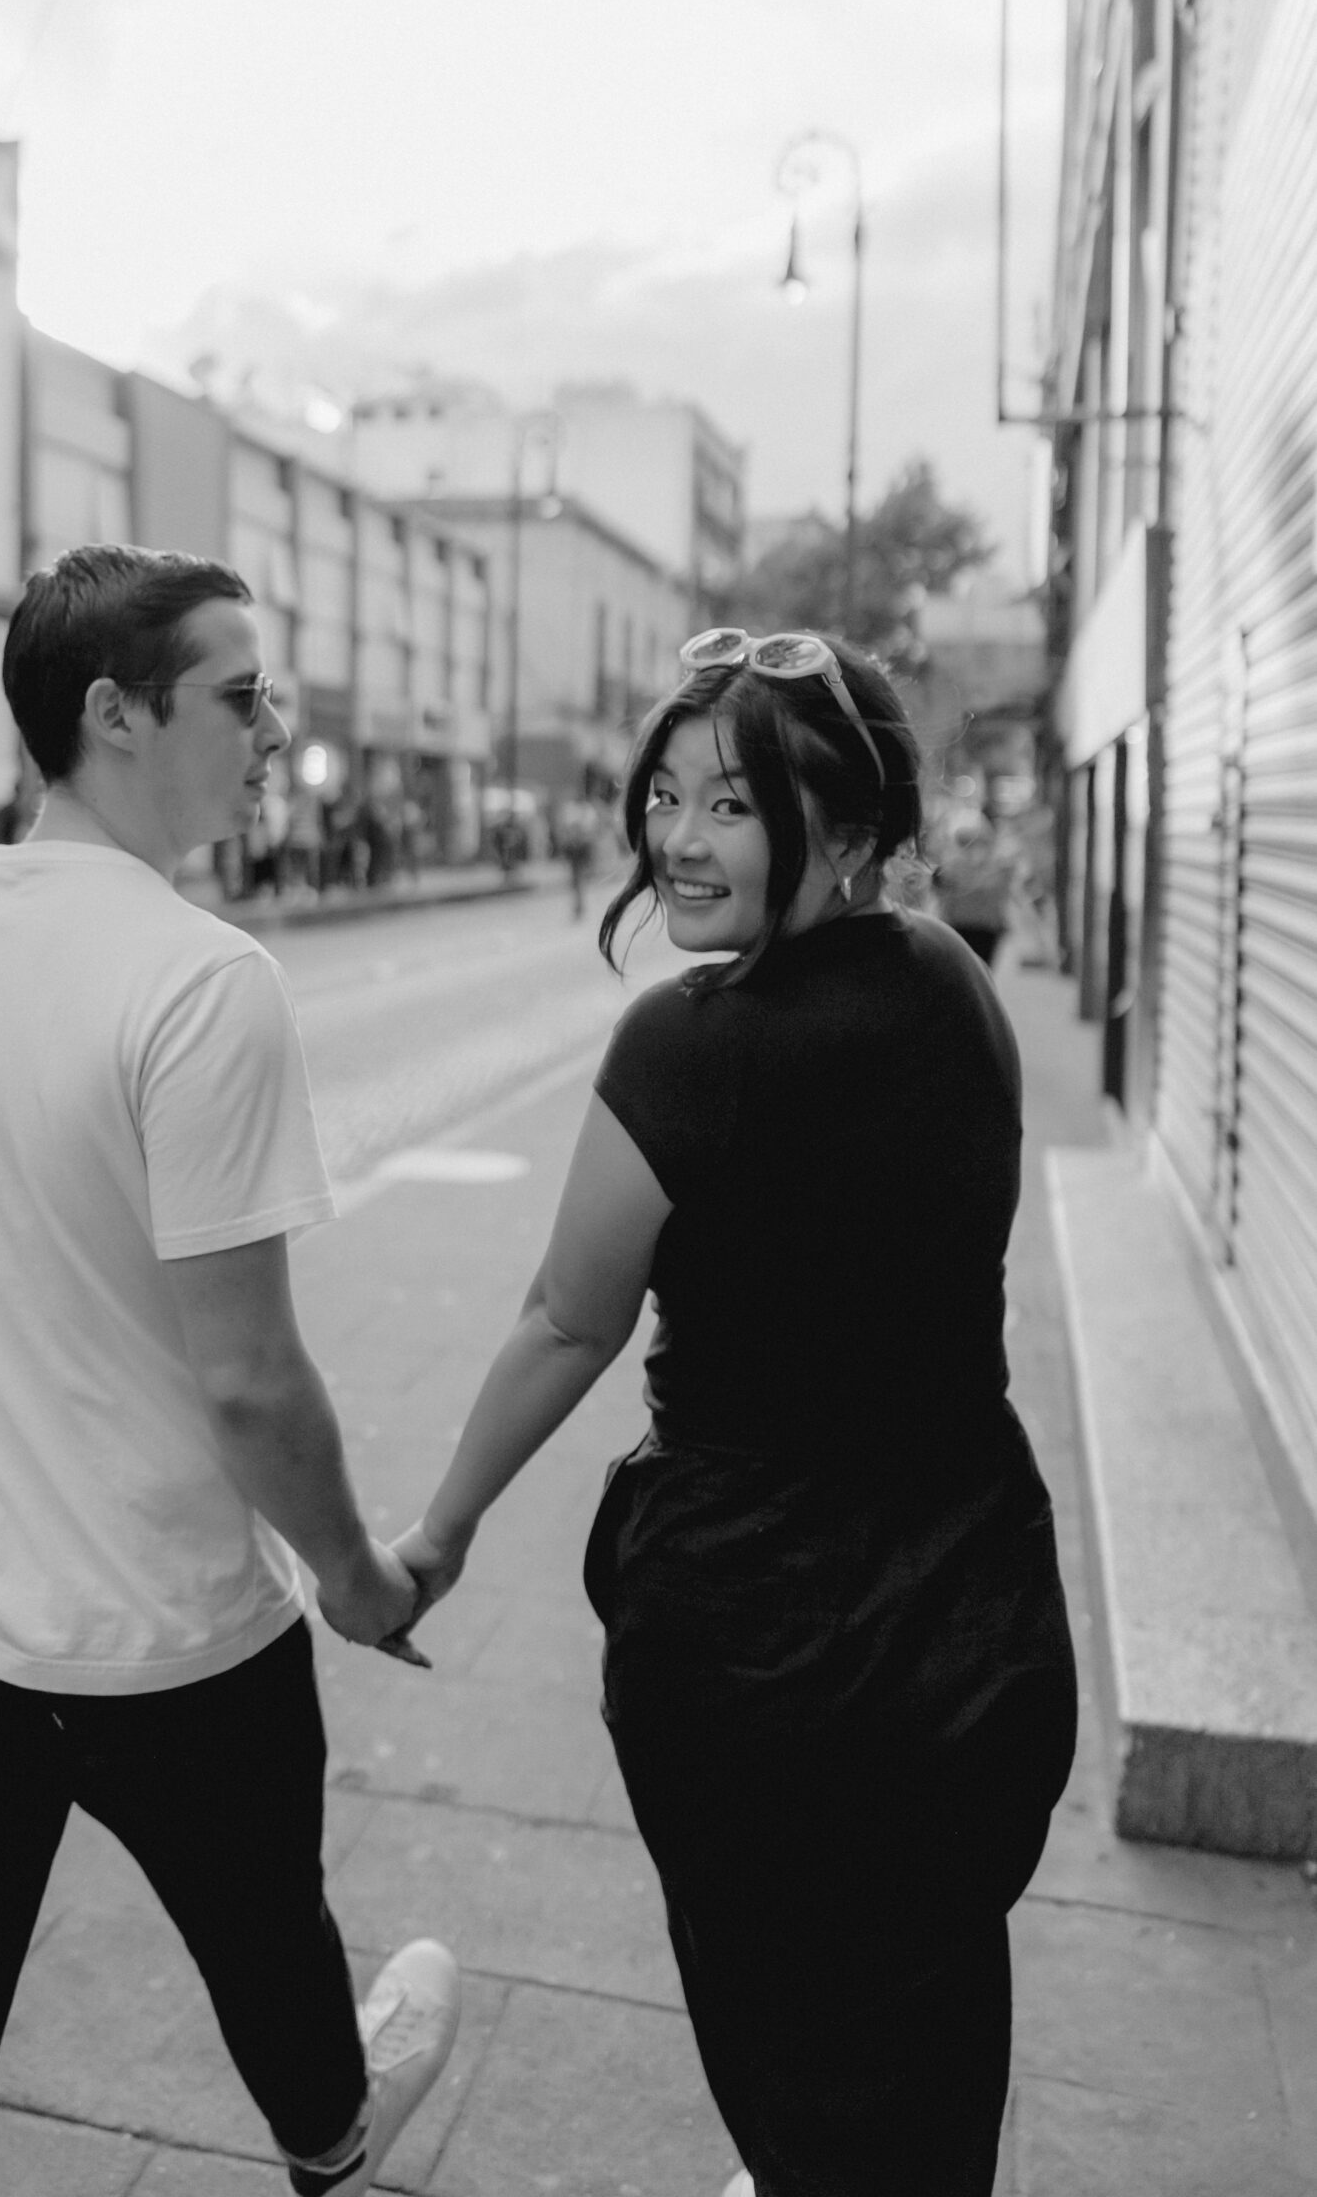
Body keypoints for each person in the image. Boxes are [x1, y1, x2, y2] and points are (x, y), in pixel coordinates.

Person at [0, 544, 460, 2197]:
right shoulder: (202, 982)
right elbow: (246, 1380)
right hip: (165, 1641)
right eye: (240, 697)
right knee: (269, 1953)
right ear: (112, 712)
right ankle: (331, 2142)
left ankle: (330, 2118)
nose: (270, 729)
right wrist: (359, 1576)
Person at [393, 626, 1077, 2197]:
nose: (676, 839)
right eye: (668, 797)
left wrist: (437, 1532)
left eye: (730, 806)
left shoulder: (685, 1046)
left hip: (750, 1621)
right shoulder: (956, 988)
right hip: (968, 1601)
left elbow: (567, 1317)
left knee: (778, 2011)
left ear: (842, 836)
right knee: (926, 1996)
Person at [933, 811, 1017, 969]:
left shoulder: (997, 863)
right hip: (968, 926)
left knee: (972, 972)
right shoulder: (954, 863)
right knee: (974, 973)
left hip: (976, 927)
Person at [554, 792, 602, 919]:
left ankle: (580, 903)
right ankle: (579, 903)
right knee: (577, 876)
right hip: (576, 847)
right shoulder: (575, 809)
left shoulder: (585, 810)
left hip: (582, 846)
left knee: (580, 876)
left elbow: (590, 828)